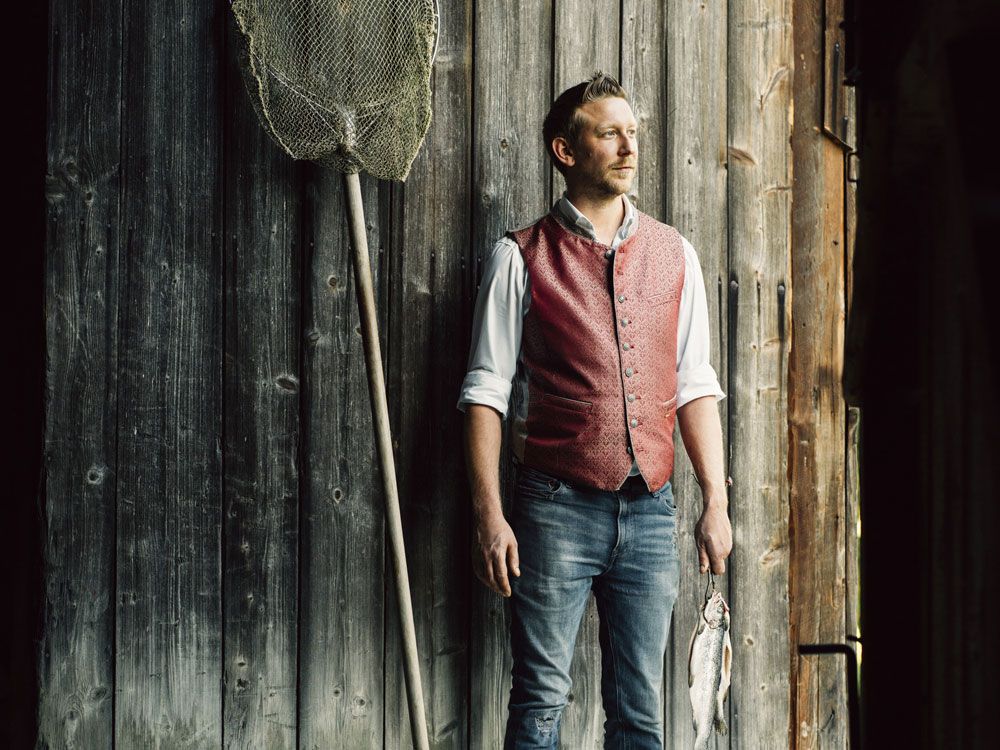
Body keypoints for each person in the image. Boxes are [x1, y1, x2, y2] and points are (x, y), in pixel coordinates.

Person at [457, 71, 734, 749]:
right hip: (552, 507)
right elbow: (486, 394)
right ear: (565, 150)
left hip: (650, 511)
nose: (627, 146)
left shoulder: (676, 254)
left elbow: (694, 384)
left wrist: (717, 503)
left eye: (632, 132)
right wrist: (491, 517)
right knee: (541, 699)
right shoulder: (519, 256)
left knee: (640, 710)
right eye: (608, 132)